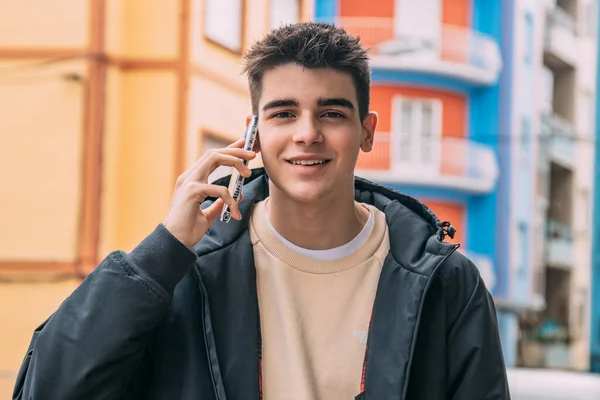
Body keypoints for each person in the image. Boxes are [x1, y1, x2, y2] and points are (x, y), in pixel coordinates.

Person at [13, 22, 510, 400]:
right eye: (284, 113)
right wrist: (162, 250)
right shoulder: (187, 271)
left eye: (332, 113)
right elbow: (49, 388)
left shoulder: (446, 283)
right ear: (254, 132)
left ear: (367, 130)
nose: (306, 133)